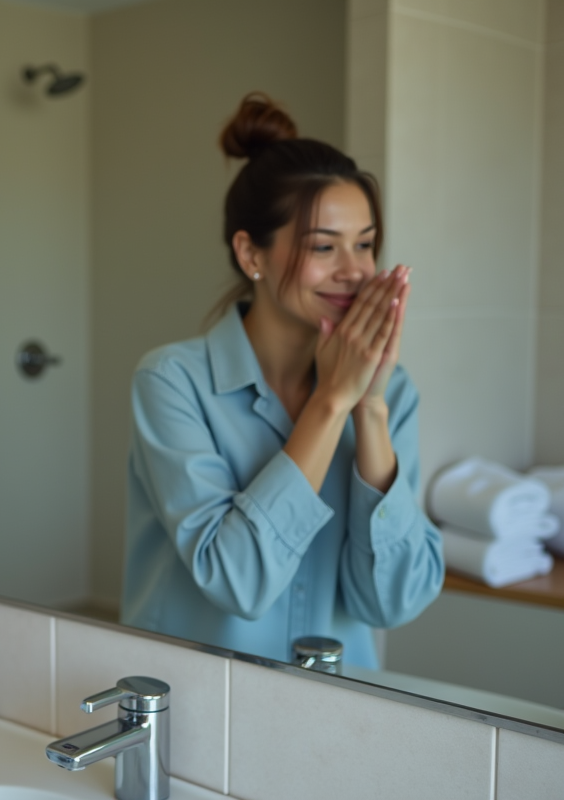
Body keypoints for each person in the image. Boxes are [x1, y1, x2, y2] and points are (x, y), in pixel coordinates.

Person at [120, 94, 443, 668]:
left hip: (337, 711)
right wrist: (330, 402)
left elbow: (393, 602)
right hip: (195, 706)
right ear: (251, 253)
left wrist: (367, 408)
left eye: (365, 244)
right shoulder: (172, 382)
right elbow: (236, 582)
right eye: (324, 246)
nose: (355, 271)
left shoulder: (392, 392)